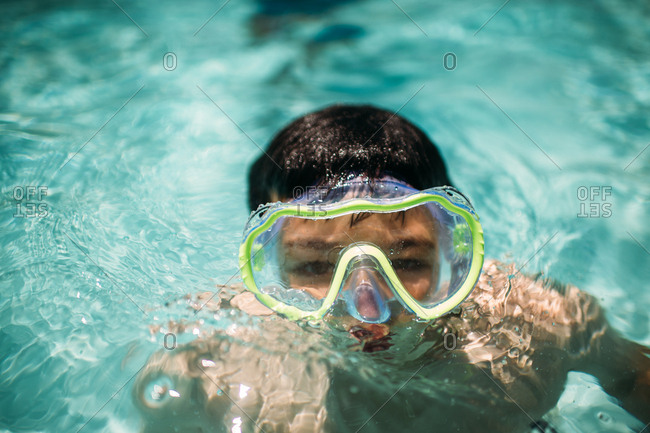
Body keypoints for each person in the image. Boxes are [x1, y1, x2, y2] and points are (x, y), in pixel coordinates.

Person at [135, 104, 650, 432]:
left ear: (453, 251)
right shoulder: (208, 359)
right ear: (268, 264)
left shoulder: (542, 322)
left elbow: (635, 378)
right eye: (316, 265)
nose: (369, 305)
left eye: (404, 261)